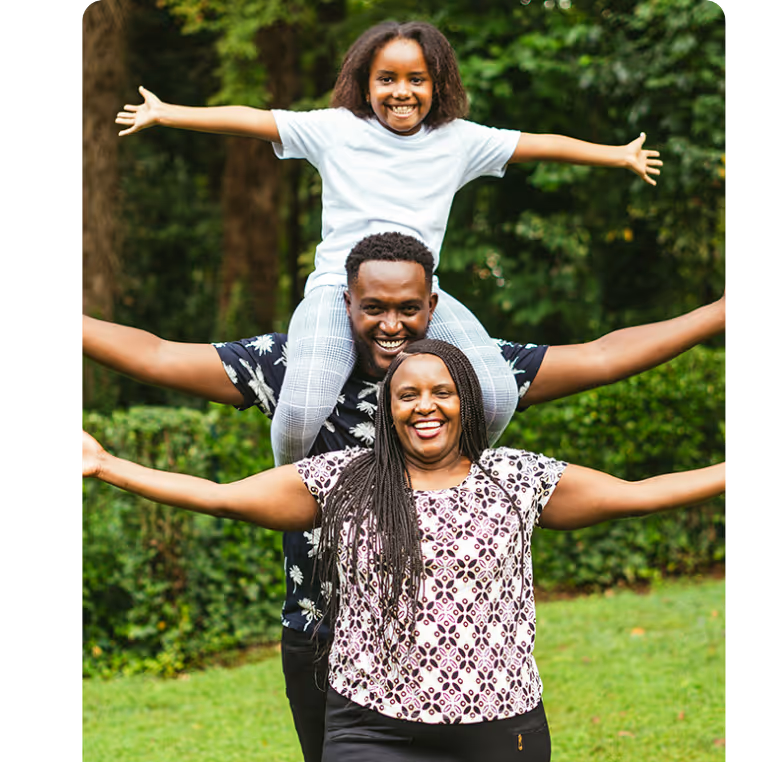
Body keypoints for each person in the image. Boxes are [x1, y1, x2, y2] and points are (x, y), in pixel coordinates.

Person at [83, 231, 725, 762]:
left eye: (408, 308)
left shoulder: (471, 381)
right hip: (326, 636)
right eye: (375, 308)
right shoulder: (295, 373)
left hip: (479, 683)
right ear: (347, 306)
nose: (392, 323)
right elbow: (162, 361)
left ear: (432, 308)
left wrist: (722, 314)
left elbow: (605, 357)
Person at [114, 20, 664, 467]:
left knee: (494, 393)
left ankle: (446, 489)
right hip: (339, 290)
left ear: (437, 84)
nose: (402, 92)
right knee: (304, 402)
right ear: (365, 82)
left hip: (424, 297)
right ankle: (289, 490)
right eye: (387, 79)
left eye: (417, 79)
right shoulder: (335, 129)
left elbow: (538, 145)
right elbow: (253, 120)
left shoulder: (459, 141)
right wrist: (168, 113)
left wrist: (615, 154)